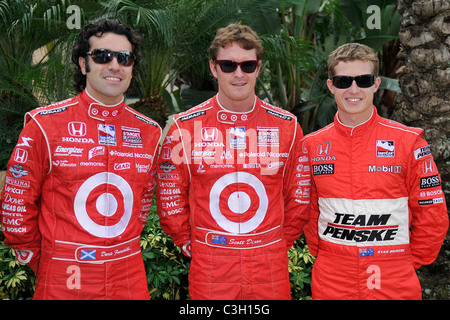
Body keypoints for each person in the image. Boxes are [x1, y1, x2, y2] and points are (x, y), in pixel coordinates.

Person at [0, 19, 161, 299]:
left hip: (129, 275)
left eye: (124, 58)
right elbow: (17, 206)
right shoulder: (43, 125)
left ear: (132, 67)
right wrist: (46, 261)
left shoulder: (150, 131)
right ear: (83, 64)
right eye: (102, 56)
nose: (114, 65)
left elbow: (144, 200)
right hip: (63, 276)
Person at [156, 22, 310, 299]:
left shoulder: (287, 126)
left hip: (269, 264)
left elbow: (299, 196)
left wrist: (275, 243)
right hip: (211, 263)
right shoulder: (184, 127)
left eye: (247, 65)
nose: (238, 74)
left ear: (258, 68)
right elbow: (170, 194)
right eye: (228, 65)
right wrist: (189, 242)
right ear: (214, 68)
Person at [302, 43, 449, 299]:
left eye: (364, 80)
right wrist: (328, 255)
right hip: (332, 275)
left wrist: (405, 261)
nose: (354, 89)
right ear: (331, 85)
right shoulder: (311, 146)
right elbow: (307, 210)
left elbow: (432, 213)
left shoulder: (408, 141)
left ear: (376, 84)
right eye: (344, 80)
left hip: (394, 275)